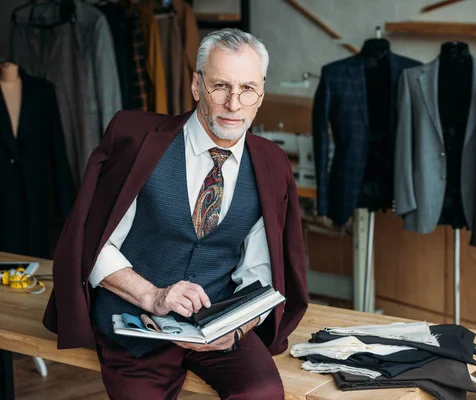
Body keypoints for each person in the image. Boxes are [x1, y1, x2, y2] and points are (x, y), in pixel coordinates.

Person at [42, 28, 308, 400]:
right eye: (220, 86)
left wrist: (236, 330)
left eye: (247, 88)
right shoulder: (135, 140)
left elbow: (260, 275)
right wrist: (153, 296)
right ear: (197, 86)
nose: (234, 103)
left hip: (218, 326)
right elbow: (94, 245)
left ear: (260, 93)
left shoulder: (271, 163)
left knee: (262, 393)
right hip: (136, 322)